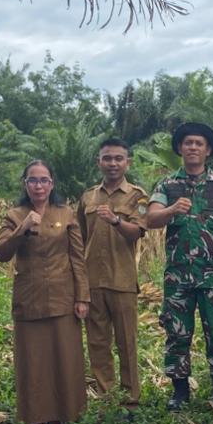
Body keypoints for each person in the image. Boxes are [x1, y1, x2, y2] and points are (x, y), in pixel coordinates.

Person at [145, 122, 213, 412]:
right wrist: (171, 210)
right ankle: (179, 391)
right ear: (179, 148)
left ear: (208, 150)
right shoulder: (167, 185)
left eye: (199, 143)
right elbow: (150, 218)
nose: (193, 147)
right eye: (188, 143)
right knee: (177, 333)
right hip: (178, 275)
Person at [0, 160, 90, 424]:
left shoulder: (66, 213)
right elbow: (1, 252)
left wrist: (82, 296)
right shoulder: (14, 215)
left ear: (52, 184)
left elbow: (78, 259)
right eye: (33, 180)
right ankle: (37, 420)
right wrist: (21, 228)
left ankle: (68, 416)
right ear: (25, 184)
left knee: (66, 359)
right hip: (30, 298)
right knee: (33, 361)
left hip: (64, 296)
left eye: (44, 180)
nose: (39, 186)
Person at [77, 138, 149, 407]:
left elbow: (139, 231)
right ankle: (107, 398)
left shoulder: (138, 196)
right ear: (99, 162)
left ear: (127, 162)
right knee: (97, 344)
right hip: (93, 281)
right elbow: (81, 238)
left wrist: (117, 221)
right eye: (107, 158)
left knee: (126, 344)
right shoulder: (88, 197)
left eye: (118, 158)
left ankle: (131, 401)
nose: (113, 163)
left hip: (123, 282)